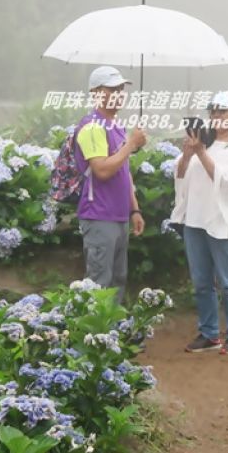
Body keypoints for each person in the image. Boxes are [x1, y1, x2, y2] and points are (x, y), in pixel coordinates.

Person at [171, 90, 228, 355]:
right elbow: (180, 174)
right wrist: (188, 153)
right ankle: (208, 333)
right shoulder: (201, 144)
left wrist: (201, 153)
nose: (217, 117)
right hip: (195, 220)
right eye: (214, 112)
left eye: (223, 112)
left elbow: (227, 182)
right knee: (201, 282)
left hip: (224, 223)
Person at [74, 65, 148, 304]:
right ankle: (93, 336)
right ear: (96, 92)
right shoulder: (91, 127)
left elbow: (124, 172)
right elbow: (103, 170)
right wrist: (131, 145)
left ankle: (113, 337)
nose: (119, 94)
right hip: (99, 215)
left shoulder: (116, 127)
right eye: (112, 89)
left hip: (119, 216)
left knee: (118, 279)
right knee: (98, 283)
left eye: (121, 89)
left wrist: (134, 209)